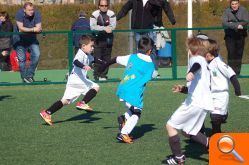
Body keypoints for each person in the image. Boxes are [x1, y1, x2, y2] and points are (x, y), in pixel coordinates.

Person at [162, 37, 212, 165]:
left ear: (190, 49)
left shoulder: (195, 59)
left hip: (195, 103)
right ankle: (210, 144)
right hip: (203, 102)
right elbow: (198, 85)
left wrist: (191, 72)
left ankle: (178, 158)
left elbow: (196, 66)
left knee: (170, 126)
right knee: (188, 131)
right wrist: (183, 89)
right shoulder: (204, 61)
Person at [100, 36, 155, 144]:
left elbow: (115, 59)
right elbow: (152, 75)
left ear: (138, 48)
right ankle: (123, 134)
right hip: (133, 91)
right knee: (137, 112)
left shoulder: (132, 57)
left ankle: (123, 118)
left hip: (123, 88)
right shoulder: (150, 64)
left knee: (133, 109)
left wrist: (104, 66)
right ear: (150, 51)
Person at [40, 35, 101, 126]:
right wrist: (84, 66)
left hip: (73, 81)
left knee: (65, 101)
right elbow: (75, 62)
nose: (92, 48)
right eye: (91, 46)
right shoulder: (80, 53)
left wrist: (107, 62)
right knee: (96, 87)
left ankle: (47, 112)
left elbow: (96, 60)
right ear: (83, 46)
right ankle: (82, 103)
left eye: (93, 46)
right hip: (78, 80)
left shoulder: (87, 55)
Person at [116, 0, 176, 78]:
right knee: (139, 51)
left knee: (152, 50)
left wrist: (172, 20)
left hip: (151, 28)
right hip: (137, 29)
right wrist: (116, 18)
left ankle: (154, 71)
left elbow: (165, 5)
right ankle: (141, 71)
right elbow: (125, 8)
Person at [205, 39, 241, 135]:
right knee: (213, 115)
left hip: (221, 94)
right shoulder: (207, 64)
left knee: (215, 117)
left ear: (210, 53)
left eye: (204, 52)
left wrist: (237, 89)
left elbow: (231, 75)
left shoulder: (219, 63)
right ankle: (216, 131)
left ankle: (216, 135)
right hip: (210, 94)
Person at [15, 2, 42, 83]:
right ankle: (24, 78)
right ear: (24, 10)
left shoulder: (37, 14)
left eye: (32, 9)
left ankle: (29, 75)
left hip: (32, 38)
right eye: (29, 10)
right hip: (19, 39)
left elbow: (39, 27)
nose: (31, 11)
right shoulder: (19, 13)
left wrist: (33, 29)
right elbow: (21, 28)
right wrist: (33, 29)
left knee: (37, 55)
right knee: (22, 59)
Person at [90, 0, 116, 81]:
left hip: (108, 40)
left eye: (105, 5)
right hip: (97, 40)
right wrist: (104, 28)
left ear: (108, 6)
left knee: (107, 59)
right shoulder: (94, 14)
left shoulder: (111, 14)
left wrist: (104, 28)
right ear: (99, 6)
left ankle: (103, 75)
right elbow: (93, 27)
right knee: (97, 58)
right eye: (102, 5)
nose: (104, 7)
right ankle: (96, 75)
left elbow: (113, 26)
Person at [222, 0, 249, 75]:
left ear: (238, 4)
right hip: (229, 36)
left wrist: (231, 23)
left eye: (236, 4)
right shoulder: (227, 11)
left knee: (239, 54)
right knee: (231, 53)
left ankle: (237, 73)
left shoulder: (244, 10)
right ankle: (231, 73)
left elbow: (246, 21)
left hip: (241, 35)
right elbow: (224, 23)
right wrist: (237, 25)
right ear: (230, 5)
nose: (234, 5)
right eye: (232, 4)